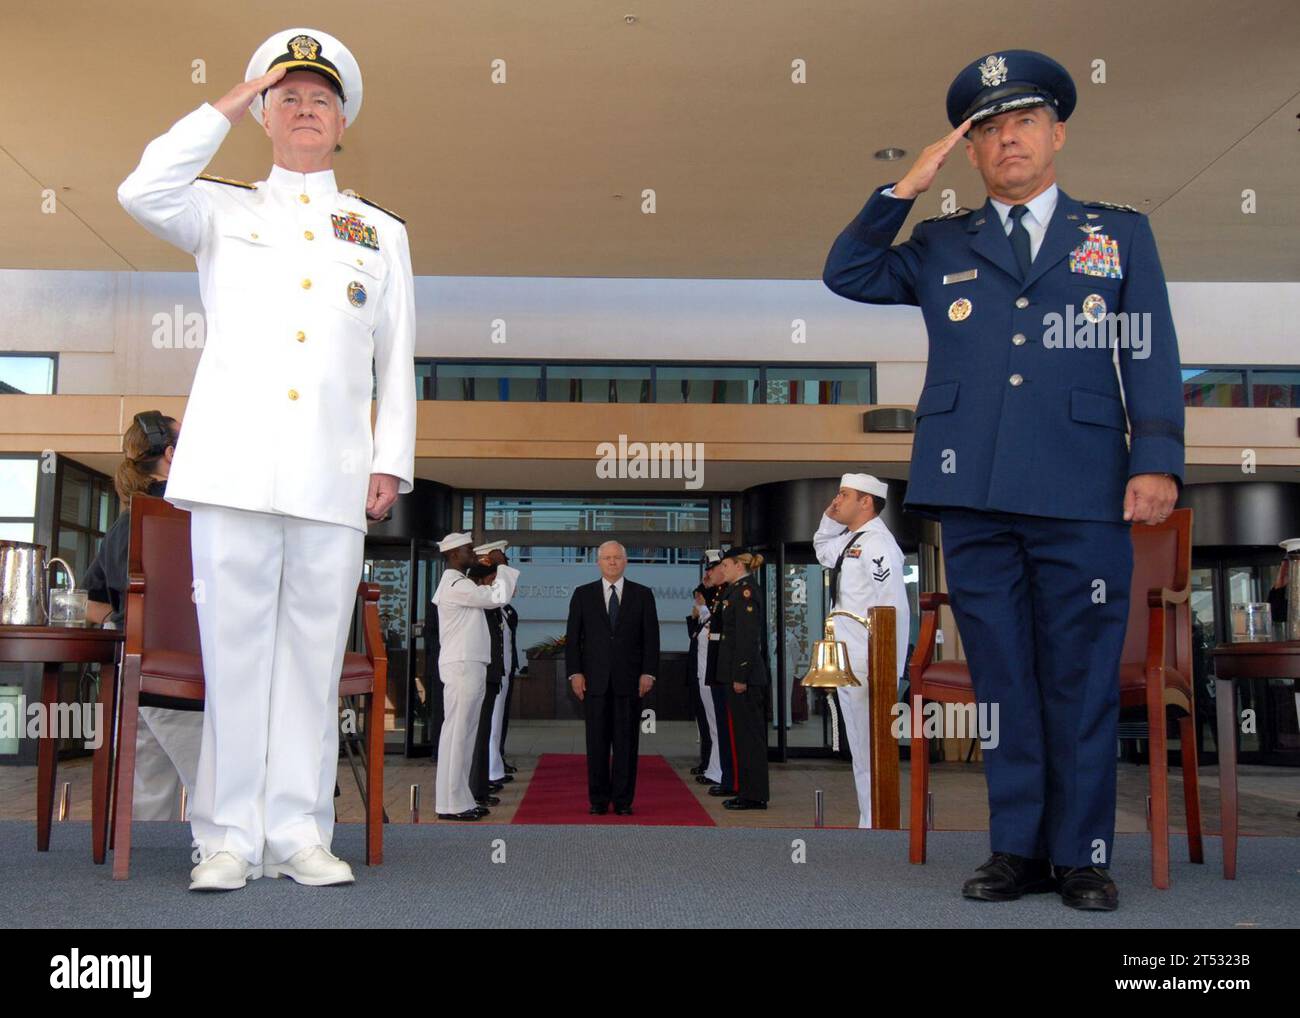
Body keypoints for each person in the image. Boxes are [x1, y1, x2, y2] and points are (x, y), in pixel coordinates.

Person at [823, 49, 1184, 911]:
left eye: (1022, 122)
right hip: (973, 493)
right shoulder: (943, 239)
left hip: (1083, 490)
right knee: (1003, 681)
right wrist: (903, 188)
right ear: (972, 153)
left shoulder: (1117, 234)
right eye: (987, 131)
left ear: (1056, 133)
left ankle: (1084, 856)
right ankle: (1015, 849)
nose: (1007, 140)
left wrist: (1158, 458)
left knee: (1081, 678)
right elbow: (847, 272)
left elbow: (1151, 349)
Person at [117, 28, 416, 891]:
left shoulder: (380, 233)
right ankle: (225, 840)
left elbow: (394, 356)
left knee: (313, 659)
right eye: (286, 96)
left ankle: (298, 832)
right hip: (235, 469)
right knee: (236, 654)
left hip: (332, 473)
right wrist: (229, 98)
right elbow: (142, 188)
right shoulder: (220, 208)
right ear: (263, 115)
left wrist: (388, 457)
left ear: (343, 121)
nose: (303, 108)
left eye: (320, 98)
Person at [84, 412, 203, 822]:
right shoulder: (200, 515)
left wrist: (126, 624)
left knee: (147, 804)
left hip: (135, 675)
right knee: (219, 797)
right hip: (192, 679)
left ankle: (140, 882)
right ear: (171, 454)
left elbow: (94, 603)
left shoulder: (125, 521)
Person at [813, 473, 910, 828]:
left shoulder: (878, 545)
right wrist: (829, 516)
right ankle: (870, 818)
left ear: (866, 501)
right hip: (849, 654)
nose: (836, 500)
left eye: (843, 494)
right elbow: (823, 550)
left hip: (870, 659)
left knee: (871, 746)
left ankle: (877, 821)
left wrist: (888, 669)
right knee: (860, 743)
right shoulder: (854, 540)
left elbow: (891, 608)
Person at [565, 541, 660, 815]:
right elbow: (574, 639)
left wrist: (648, 671)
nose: (612, 562)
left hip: (630, 682)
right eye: (606, 558)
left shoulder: (643, 595)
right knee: (596, 743)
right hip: (593, 681)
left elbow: (651, 638)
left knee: (626, 743)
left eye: (617, 558)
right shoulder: (582, 594)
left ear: (626, 561)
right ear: (598, 562)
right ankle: (597, 800)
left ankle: (622, 801)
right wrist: (575, 673)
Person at [432, 533, 519, 820]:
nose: (474, 553)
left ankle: (459, 799)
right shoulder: (456, 585)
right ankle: (451, 804)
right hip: (463, 665)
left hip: (470, 664)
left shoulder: (461, 583)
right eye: (469, 550)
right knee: (458, 735)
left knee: (464, 735)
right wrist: (501, 564)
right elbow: (498, 596)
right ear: (455, 554)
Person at [714, 548, 769, 810]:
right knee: (742, 737)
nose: (721, 570)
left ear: (738, 565)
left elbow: (747, 640)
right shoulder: (734, 591)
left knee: (749, 738)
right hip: (736, 675)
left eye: (725, 565)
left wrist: (740, 676)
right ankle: (747, 790)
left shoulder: (746, 592)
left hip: (744, 678)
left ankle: (754, 795)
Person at [476, 540, 520, 784]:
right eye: (498, 575)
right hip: (484, 672)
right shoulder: (481, 601)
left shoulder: (501, 608)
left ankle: (493, 769)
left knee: (494, 724)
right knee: (486, 726)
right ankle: (487, 774)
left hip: (500, 672)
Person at [701, 552, 736, 796]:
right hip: (716, 673)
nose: (709, 574)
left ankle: (727, 776)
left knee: (725, 729)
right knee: (717, 727)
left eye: (714, 568)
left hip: (727, 673)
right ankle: (720, 772)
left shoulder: (732, 595)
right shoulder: (720, 597)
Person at [686, 575, 720, 783]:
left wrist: (703, 613)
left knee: (713, 726)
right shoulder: (702, 620)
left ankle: (713, 767)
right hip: (700, 678)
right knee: (707, 725)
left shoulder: (711, 620)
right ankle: (709, 765)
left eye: (699, 598)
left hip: (710, 679)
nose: (696, 602)